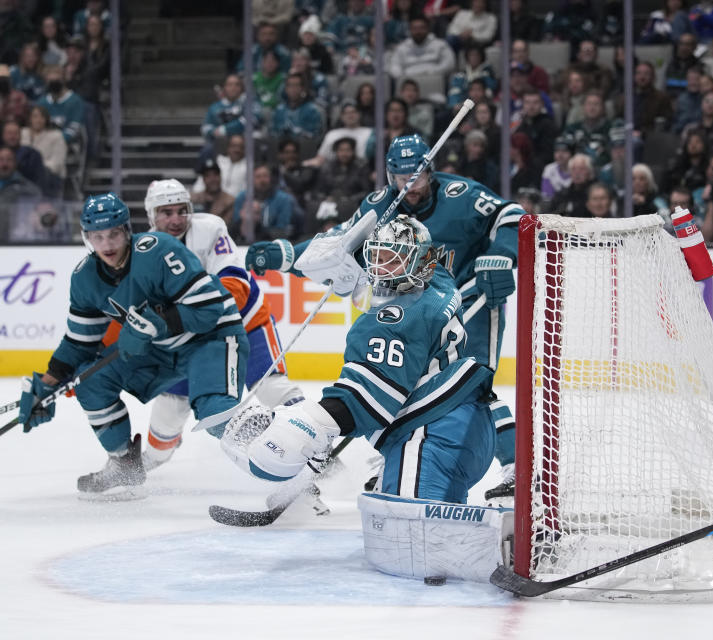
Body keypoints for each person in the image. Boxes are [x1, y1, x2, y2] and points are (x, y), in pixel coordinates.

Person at [245, 134, 523, 498]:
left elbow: (512, 215)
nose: (408, 186)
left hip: (470, 297)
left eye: (417, 176)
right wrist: (286, 256)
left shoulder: (461, 194)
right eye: (399, 177)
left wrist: (502, 254)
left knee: (468, 385)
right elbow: (340, 244)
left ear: (431, 170)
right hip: (415, 308)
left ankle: (519, 466)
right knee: (406, 385)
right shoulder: (382, 205)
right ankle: (398, 455)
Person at [234, 215, 495, 509]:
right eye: (376, 257)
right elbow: (377, 249)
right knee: (430, 524)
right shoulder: (438, 278)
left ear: (419, 262)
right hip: (469, 424)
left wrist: (311, 426)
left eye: (393, 261)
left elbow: (363, 402)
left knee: (410, 535)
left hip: (431, 437)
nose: (381, 270)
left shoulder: (394, 319)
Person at [17, 193, 249, 499]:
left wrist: (158, 322)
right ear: (87, 238)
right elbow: (79, 342)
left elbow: (210, 308)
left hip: (210, 338)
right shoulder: (85, 277)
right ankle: (124, 463)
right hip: (162, 349)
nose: (108, 244)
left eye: (113, 233)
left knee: (216, 412)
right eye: (98, 237)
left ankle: (287, 452)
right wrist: (47, 385)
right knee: (91, 381)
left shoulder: (159, 250)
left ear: (127, 230)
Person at [136, 180, 304, 469]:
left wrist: (186, 314)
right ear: (152, 215)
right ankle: (144, 465)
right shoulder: (141, 254)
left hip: (245, 323)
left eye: (181, 210)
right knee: (169, 409)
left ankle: (310, 440)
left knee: (272, 387)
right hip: (191, 342)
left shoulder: (209, 229)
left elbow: (236, 286)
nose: (176, 219)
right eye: (166, 212)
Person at [231, 163, 303, 243]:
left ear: (271, 178)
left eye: (265, 176)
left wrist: (262, 232)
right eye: (258, 177)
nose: (262, 180)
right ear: (252, 179)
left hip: (273, 242)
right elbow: (236, 224)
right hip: (244, 241)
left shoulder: (284, 199)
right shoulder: (242, 197)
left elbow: (282, 230)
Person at [387, 15, 456, 81]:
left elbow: (449, 64)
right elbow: (394, 66)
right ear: (410, 30)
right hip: (408, 82)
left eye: (421, 28)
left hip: (434, 79)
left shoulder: (440, 45)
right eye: (415, 29)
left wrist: (432, 72)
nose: (418, 32)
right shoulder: (402, 48)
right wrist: (403, 76)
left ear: (428, 29)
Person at [201, 74, 262, 146]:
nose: (233, 88)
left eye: (237, 85)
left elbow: (253, 119)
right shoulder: (215, 107)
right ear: (224, 87)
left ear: (242, 88)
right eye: (229, 85)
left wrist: (225, 130)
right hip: (222, 142)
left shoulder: (250, 102)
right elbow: (205, 127)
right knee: (207, 150)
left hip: (245, 142)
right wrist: (213, 132)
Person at [190, 157, 236, 222]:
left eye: (215, 174)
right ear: (203, 179)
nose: (212, 179)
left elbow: (226, 226)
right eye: (208, 175)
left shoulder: (230, 201)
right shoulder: (193, 199)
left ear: (220, 176)